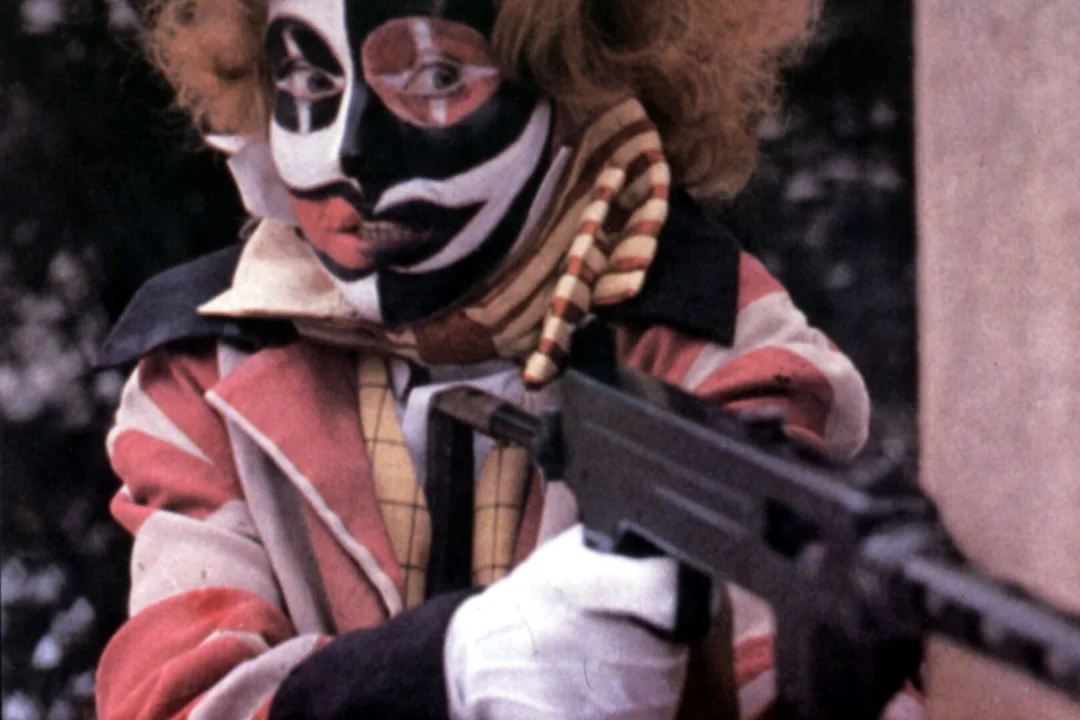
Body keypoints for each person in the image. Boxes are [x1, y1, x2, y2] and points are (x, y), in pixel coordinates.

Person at [94, 0, 909, 717]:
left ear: (578, 82)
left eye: (437, 76)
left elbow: (773, 676)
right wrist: (444, 671)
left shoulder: (718, 347)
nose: (351, 152)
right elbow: (175, 701)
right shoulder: (205, 370)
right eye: (309, 81)